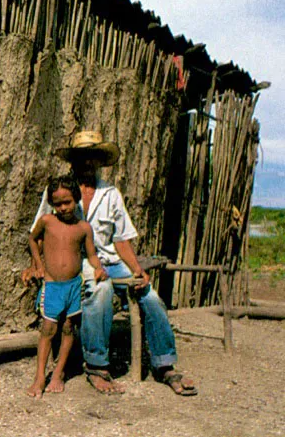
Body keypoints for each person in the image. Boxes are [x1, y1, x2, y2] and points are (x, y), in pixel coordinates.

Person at [23, 131, 197, 396]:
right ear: (74, 162)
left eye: (92, 158)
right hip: (77, 262)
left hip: (110, 259)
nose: (87, 164)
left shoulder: (110, 194)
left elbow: (121, 239)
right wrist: (37, 265)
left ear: (99, 161)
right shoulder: (60, 194)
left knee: (150, 297)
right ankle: (96, 365)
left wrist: (137, 270)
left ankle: (165, 365)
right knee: (100, 289)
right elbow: (39, 232)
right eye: (82, 158)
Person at [26, 175, 106, 398]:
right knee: (48, 330)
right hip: (52, 286)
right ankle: (39, 377)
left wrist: (98, 268)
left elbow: (91, 254)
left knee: (69, 327)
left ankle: (58, 373)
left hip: (73, 286)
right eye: (58, 204)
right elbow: (32, 239)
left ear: (76, 200)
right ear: (52, 204)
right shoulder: (47, 222)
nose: (63, 208)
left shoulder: (83, 228)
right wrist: (38, 265)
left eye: (67, 202)